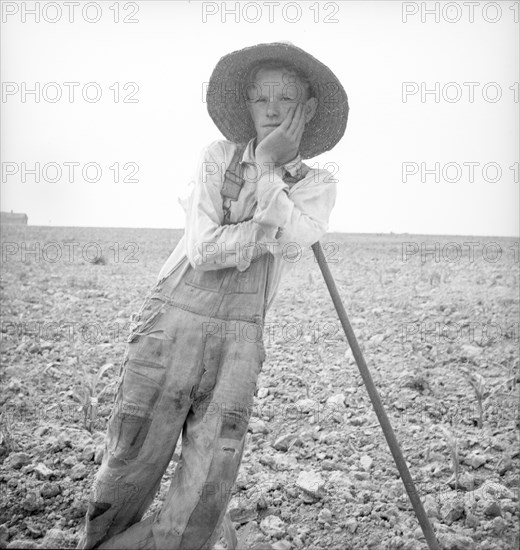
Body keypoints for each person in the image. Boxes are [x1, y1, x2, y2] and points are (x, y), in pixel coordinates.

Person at [76, 41, 349, 550]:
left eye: (286, 99)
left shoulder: (318, 185)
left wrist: (268, 172)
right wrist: (264, 207)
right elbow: (202, 250)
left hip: (239, 348)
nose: (271, 109)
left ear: (308, 111)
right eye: (259, 98)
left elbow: (294, 236)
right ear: (245, 106)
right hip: (168, 332)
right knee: (125, 472)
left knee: (203, 498)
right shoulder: (214, 158)